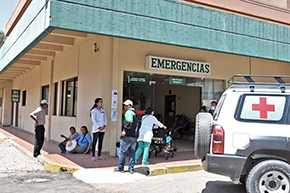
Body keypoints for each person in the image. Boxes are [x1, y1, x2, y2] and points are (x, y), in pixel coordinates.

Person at [114, 100, 138, 174]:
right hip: (134, 136)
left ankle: (120, 167)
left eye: (127, 105)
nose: (125, 107)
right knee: (132, 152)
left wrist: (124, 130)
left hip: (128, 136)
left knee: (122, 151)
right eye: (125, 105)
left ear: (130, 106)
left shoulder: (128, 112)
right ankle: (131, 168)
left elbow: (129, 122)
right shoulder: (135, 113)